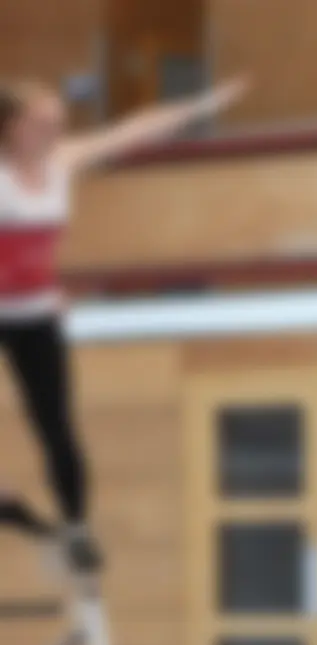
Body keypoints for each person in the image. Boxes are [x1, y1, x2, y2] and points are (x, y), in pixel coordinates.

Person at [0, 76, 248, 572]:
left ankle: (74, 527)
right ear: (12, 127)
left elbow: (131, 131)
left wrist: (199, 104)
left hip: (34, 314)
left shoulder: (62, 161)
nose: (55, 131)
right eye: (43, 122)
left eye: (58, 122)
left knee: (56, 424)